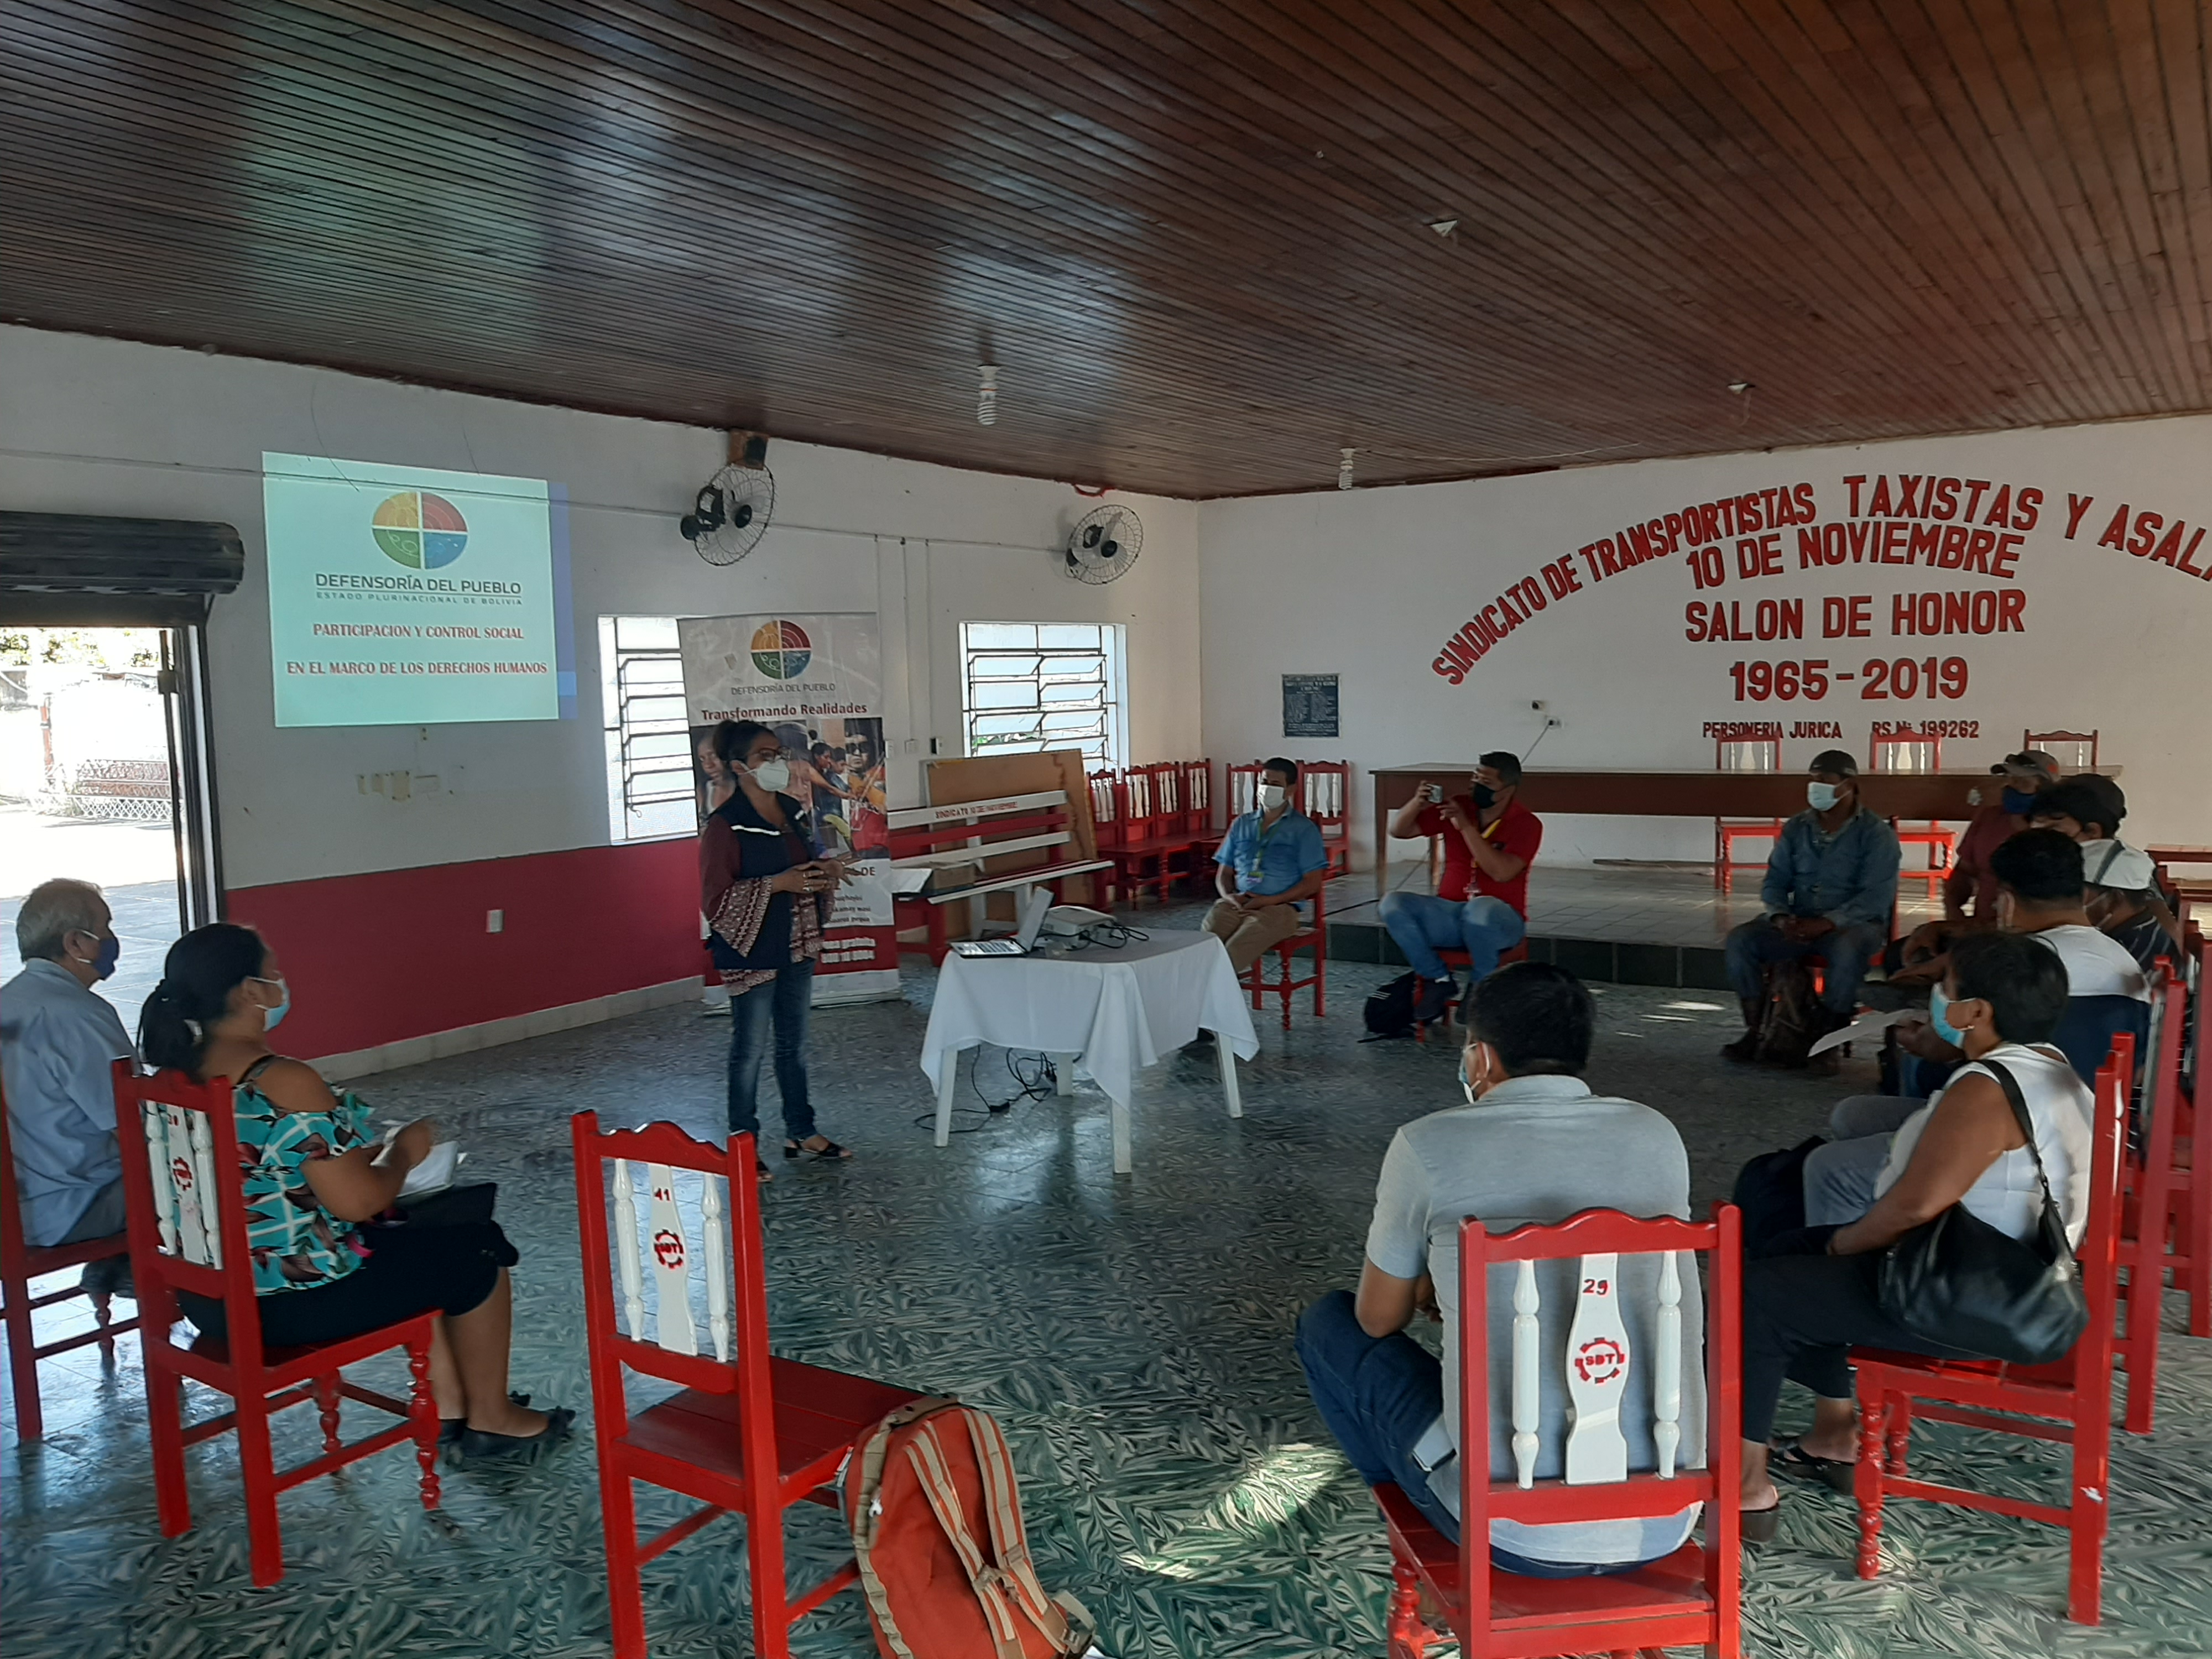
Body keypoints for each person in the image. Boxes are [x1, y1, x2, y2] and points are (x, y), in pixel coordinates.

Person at [1297, 963, 1704, 1575]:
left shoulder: (1428, 1144)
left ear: (1481, 1057)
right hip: (1668, 1517)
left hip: (1510, 1534)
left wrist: (1432, 1279)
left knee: (1329, 1326)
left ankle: (1420, 1520)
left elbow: (1378, 1320)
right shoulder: (1656, 1135)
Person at [139, 924, 568, 1460]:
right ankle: (493, 1418)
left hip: (208, 1300)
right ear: (250, 993)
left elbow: (258, 1173)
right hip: (286, 1304)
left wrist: (349, 1160)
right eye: (274, 973)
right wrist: (404, 1152)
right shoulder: (281, 1080)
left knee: (423, 1239)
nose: (282, 984)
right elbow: (358, 1203)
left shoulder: (171, 1078)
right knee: (478, 1249)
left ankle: (454, 1406)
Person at [1739, 932, 2090, 1533]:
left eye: (1944, 989)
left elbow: (1912, 1206)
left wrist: (1840, 1243)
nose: (1934, 997)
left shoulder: (1987, 1089)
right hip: (1999, 1279)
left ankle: (1745, 1485)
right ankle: (1832, 1434)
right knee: (1787, 1254)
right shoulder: (2049, 1070)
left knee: (1761, 1292)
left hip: (1964, 1299)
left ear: (1976, 1013)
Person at [1802, 829, 2145, 1227]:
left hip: (2018, 1146)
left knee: (1829, 1169)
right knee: (1853, 1115)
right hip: (2077, 1131)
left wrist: (1931, 1041)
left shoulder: (2030, 965)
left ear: (2009, 900)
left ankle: (1854, 1262)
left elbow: (1953, 1041)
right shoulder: (2112, 955)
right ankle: (1887, 1219)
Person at [701, 718, 855, 1174]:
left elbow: (806, 862)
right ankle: (743, 1146)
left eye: (779, 754)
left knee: (795, 1046)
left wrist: (824, 873)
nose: (778, 763)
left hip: (797, 943)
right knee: (749, 1051)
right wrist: (776, 885)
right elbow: (716, 902)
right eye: (765, 757)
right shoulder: (724, 827)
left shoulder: (791, 810)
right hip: (753, 953)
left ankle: (801, 1131)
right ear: (738, 767)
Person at [0, 879, 135, 1294]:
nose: (112, 940)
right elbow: (132, 1128)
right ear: (76, 942)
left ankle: (115, 1266)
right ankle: (199, 1296)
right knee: (216, 1173)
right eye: (106, 929)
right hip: (74, 1208)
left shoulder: (9, 1001)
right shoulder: (81, 1016)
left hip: (13, 1208)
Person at [1722, 750, 1900, 1063]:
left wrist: (1828, 923)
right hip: (1799, 921)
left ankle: (1829, 1041)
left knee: (1847, 950)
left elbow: (1875, 898)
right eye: (1812, 780)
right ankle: (1756, 1030)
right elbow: (1775, 880)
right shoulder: (1797, 828)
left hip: (1854, 926)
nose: (1815, 787)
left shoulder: (1875, 835)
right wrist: (1779, 916)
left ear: (1849, 786)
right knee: (1741, 940)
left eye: (1824, 781)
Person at [1379, 753, 1543, 1024]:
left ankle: (1481, 988)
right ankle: (1437, 978)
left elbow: (1501, 872)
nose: (1476, 786)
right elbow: (1400, 831)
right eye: (1475, 778)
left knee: (1481, 907)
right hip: (1452, 914)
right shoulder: (1460, 806)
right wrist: (1416, 804)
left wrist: (1466, 828)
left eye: (1486, 782)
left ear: (1508, 790)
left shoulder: (1527, 824)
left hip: (1499, 922)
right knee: (1393, 903)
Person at [2028, 778, 2185, 969]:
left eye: (2053, 833)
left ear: (2093, 830)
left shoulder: (2128, 876)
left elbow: (2169, 935)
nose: (2042, 843)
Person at [1200, 758, 1329, 982]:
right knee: (1203, 945)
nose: (1267, 788)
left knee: (1235, 951)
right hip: (1238, 902)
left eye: (1276, 784)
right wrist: (1228, 895)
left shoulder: (1303, 830)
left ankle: (1214, 1001)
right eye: (1264, 781)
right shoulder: (1242, 823)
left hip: (1279, 908)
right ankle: (1198, 997)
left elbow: (1312, 883)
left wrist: (1271, 901)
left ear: (1290, 790)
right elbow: (1225, 872)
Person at [1943, 750, 2055, 923]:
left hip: (2031, 928)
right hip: (1983, 926)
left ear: (2045, 789)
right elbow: (1965, 871)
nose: (2011, 788)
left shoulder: (2056, 830)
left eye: (2022, 782)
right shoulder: (1989, 817)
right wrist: (1953, 910)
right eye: (2009, 780)